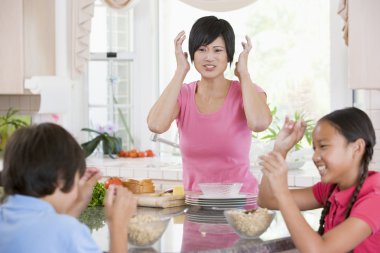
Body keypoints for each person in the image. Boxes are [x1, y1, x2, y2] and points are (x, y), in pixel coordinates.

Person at [147, 16, 272, 193]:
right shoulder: (183, 94)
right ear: (192, 54)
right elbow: (156, 125)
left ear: (229, 53)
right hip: (196, 208)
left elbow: (259, 124)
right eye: (202, 49)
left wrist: (244, 74)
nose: (209, 57)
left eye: (217, 50)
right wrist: (180, 71)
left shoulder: (247, 91)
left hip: (240, 209)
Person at [0, 123, 137, 253]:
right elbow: (60, 232)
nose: (78, 188)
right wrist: (118, 226)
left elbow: (49, 233)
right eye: (77, 179)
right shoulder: (68, 231)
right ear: (60, 178)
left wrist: (78, 202)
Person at [258, 107, 380, 252]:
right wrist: (280, 149)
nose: (315, 157)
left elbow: (320, 251)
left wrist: (282, 191)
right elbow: (267, 200)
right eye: (314, 149)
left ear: (357, 148)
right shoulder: (331, 188)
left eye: (323, 146)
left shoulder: (375, 199)